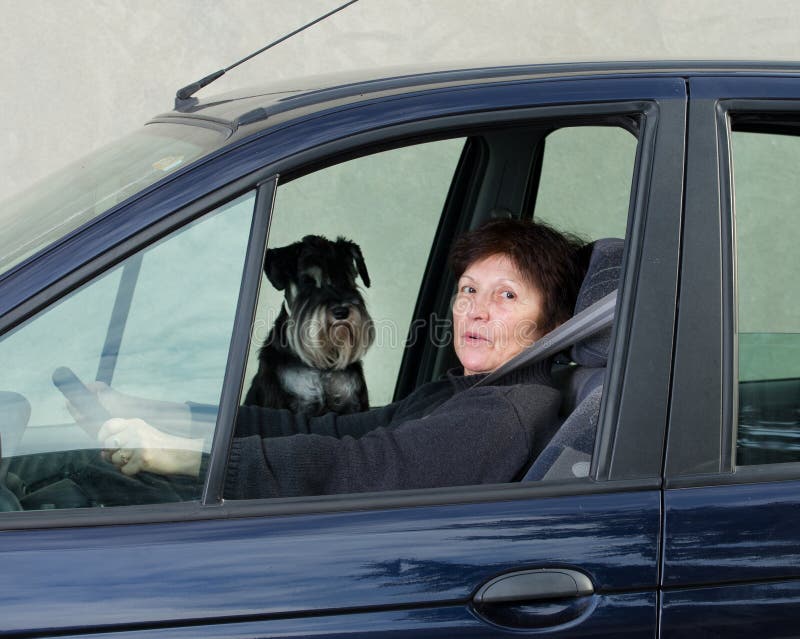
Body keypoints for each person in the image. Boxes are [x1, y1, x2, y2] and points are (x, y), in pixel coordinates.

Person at [88, 219, 586, 499]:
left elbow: (354, 466)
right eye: (468, 290)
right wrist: (163, 413)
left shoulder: (504, 415)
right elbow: (340, 432)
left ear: (555, 323)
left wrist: (192, 459)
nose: (475, 311)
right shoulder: (462, 391)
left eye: (506, 297)